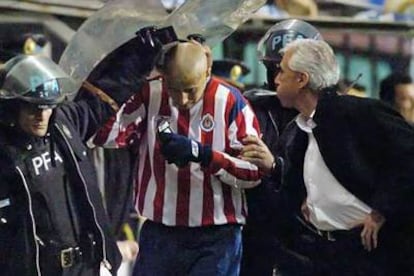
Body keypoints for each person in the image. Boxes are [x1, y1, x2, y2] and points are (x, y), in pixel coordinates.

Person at [241, 38, 414, 275]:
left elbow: (408, 156)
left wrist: (381, 211)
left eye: (282, 70)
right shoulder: (302, 129)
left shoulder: (361, 112)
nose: (276, 78)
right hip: (326, 253)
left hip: (374, 253)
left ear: (302, 79)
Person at [94, 41, 262, 275]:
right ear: (163, 77)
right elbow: (103, 136)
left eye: (190, 89)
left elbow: (254, 172)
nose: (182, 99)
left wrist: (204, 155)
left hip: (216, 236)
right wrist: (125, 78)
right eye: (174, 88)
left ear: (207, 73)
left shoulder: (231, 103)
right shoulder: (150, 93)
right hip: (160, 232)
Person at [0, 54, 122, 275]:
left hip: (85, 266)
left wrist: (147, 51)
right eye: (33, 108)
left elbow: (108, 95)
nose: (41, 116)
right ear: (14, 106)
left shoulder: (64, 125)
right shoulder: (5, 153)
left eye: (47, 107)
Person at [241, 19, 322, 276]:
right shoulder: (248, 107)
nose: (278, 79)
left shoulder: (328, 116)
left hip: (306, 235)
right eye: (273, 70)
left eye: (285, 71)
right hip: (252, 232)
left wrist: (275, 166)